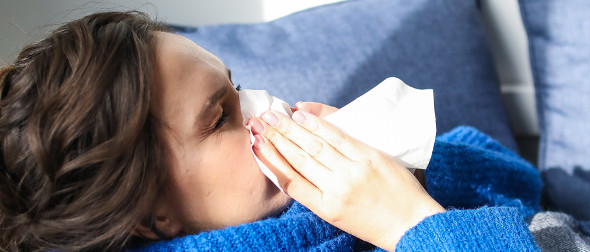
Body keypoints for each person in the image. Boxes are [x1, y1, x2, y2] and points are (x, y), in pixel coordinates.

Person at [0, 11, 546, 251]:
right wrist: (407, 221)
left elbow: (524, 185)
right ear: (147, 215)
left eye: (238, 90)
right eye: (220, 118)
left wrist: (402, 161)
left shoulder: (311, 198)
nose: (266, 106)